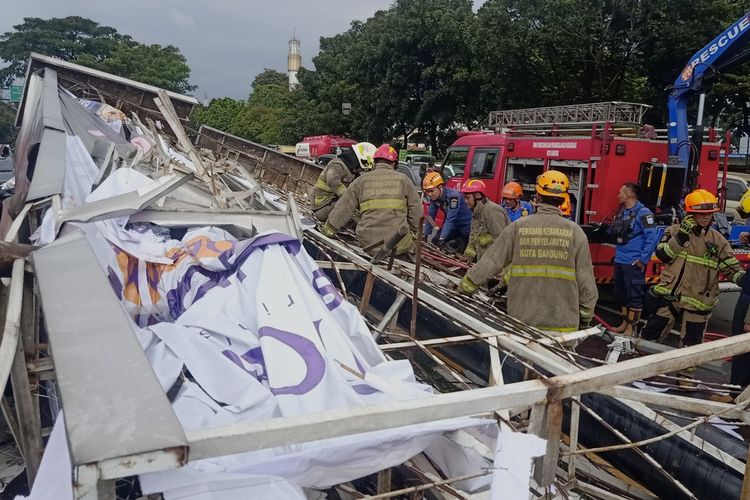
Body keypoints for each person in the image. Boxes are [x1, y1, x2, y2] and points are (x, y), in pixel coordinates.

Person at [459, 170, 598, 333]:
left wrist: (466, 286)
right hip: (563, 325)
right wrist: (585, 318)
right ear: (563, 200)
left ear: (537, 197)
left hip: (522, 321)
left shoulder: (518, 227)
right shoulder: (576, 233)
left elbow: (491, 261)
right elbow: (586, 281)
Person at [641, 189, 746, 347]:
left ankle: (684, 373)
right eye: (702, 214)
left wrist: (745, 280)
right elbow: (664, 255)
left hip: (699, 304)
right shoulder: (674, 232)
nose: (706, 217)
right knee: (647, 341)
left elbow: (731, 269)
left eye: (710, 214)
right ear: (689, 214)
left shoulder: (718, 241)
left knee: (690, 349)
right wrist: (682, 236)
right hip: (669, 299)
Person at [322, 144, 422, 256]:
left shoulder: (360, 181)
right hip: (397, 246)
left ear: (375, 162)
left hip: (369, 246)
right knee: (408, 245)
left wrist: (328, 230)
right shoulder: (404, 180)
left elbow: (343, 208)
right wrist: (414, 234)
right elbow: (416, 212)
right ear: (394, 163)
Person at [609, 183, 660, 336]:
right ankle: (624, 322)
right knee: (621, 294)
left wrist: (642, 260)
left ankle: (632, 327)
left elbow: (651, 238)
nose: (618, 195)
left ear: (628, 195)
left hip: (633, 263)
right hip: (620, 260)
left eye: (620, 192)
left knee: (634, 296)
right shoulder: (623, 212)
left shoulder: (644, 213)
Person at [309, 142, 376, 221]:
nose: (362, 170)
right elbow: (332, 179)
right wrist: (348, 197)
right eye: (362, 168)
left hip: (330, 204)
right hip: (320, 209)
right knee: (348, 206)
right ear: (358, 161)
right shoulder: (338, 165)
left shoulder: (352, 172)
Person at [461, 178, 510, 262]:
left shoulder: (492, 211)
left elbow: (502, 241)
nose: (465, 201)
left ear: (478, 196)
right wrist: (468, 256)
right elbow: (473, 237)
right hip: (484, 261)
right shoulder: (477, 212)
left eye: (467, 198)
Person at [422, 171, 472, 252]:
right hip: (453, 227)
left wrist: (442, 239)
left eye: (431, 191)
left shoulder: (453, 196)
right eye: (427, 192)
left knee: (461, 249)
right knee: (434, 242)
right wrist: (425, 235)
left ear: (440, 187)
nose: (429, 194)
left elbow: (450, 219)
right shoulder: (434, 197)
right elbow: (430, 216)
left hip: (466, 227)